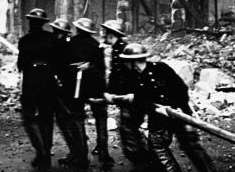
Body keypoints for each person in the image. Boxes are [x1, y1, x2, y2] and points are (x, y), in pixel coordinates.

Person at [108, 43, 216, 172]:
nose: (125, 64)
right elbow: (140, 100)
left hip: (179, 112)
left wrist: (182, 110)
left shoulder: (161, 68)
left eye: (127, 61)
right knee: (157, 146)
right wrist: (155, 109)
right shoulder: (134, 78)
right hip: (158, 118)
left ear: (133, 62)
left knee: (191, 145)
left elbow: (181, 88)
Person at [65, 17, 113, 169]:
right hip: (96, 86)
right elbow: (101, 69)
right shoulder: (97, 45)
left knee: (78, 117)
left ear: (78, 29)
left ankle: (82, 154)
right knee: (101, 116)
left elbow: (66, 68)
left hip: (77, 87)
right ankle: (104, 152)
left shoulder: (70, 44)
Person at [101, 19, 150, 170]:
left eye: (106, 32)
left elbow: (130, 75)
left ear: (111, 34)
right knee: (129, 128)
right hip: (125, 95)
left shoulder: (124, 50)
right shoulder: (117, 48)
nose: (103, 35)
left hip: (131, 96)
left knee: (129, 128)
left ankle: (142, 162)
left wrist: (127, 94)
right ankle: (143, 160)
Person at [17, 8, 58, 171]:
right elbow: (57, 63)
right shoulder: (52, 39)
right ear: (44, 23)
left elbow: (20, 65)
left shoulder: (24, 41)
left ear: (31, 22)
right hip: (48, 82)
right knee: (46, 119)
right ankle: (46, 153)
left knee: (28, 118)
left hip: (31, 83)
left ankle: (40, 152)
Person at [48, 18, 89, 169]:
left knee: (70, 121)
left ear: (60, 33)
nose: (54, 34)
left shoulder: (63, 46)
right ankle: (77, 154)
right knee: (66, 121)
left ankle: (80, 156)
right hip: (66, 88)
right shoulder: (65, 45)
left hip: (68, 89)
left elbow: (68, 68)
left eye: (56, 32)